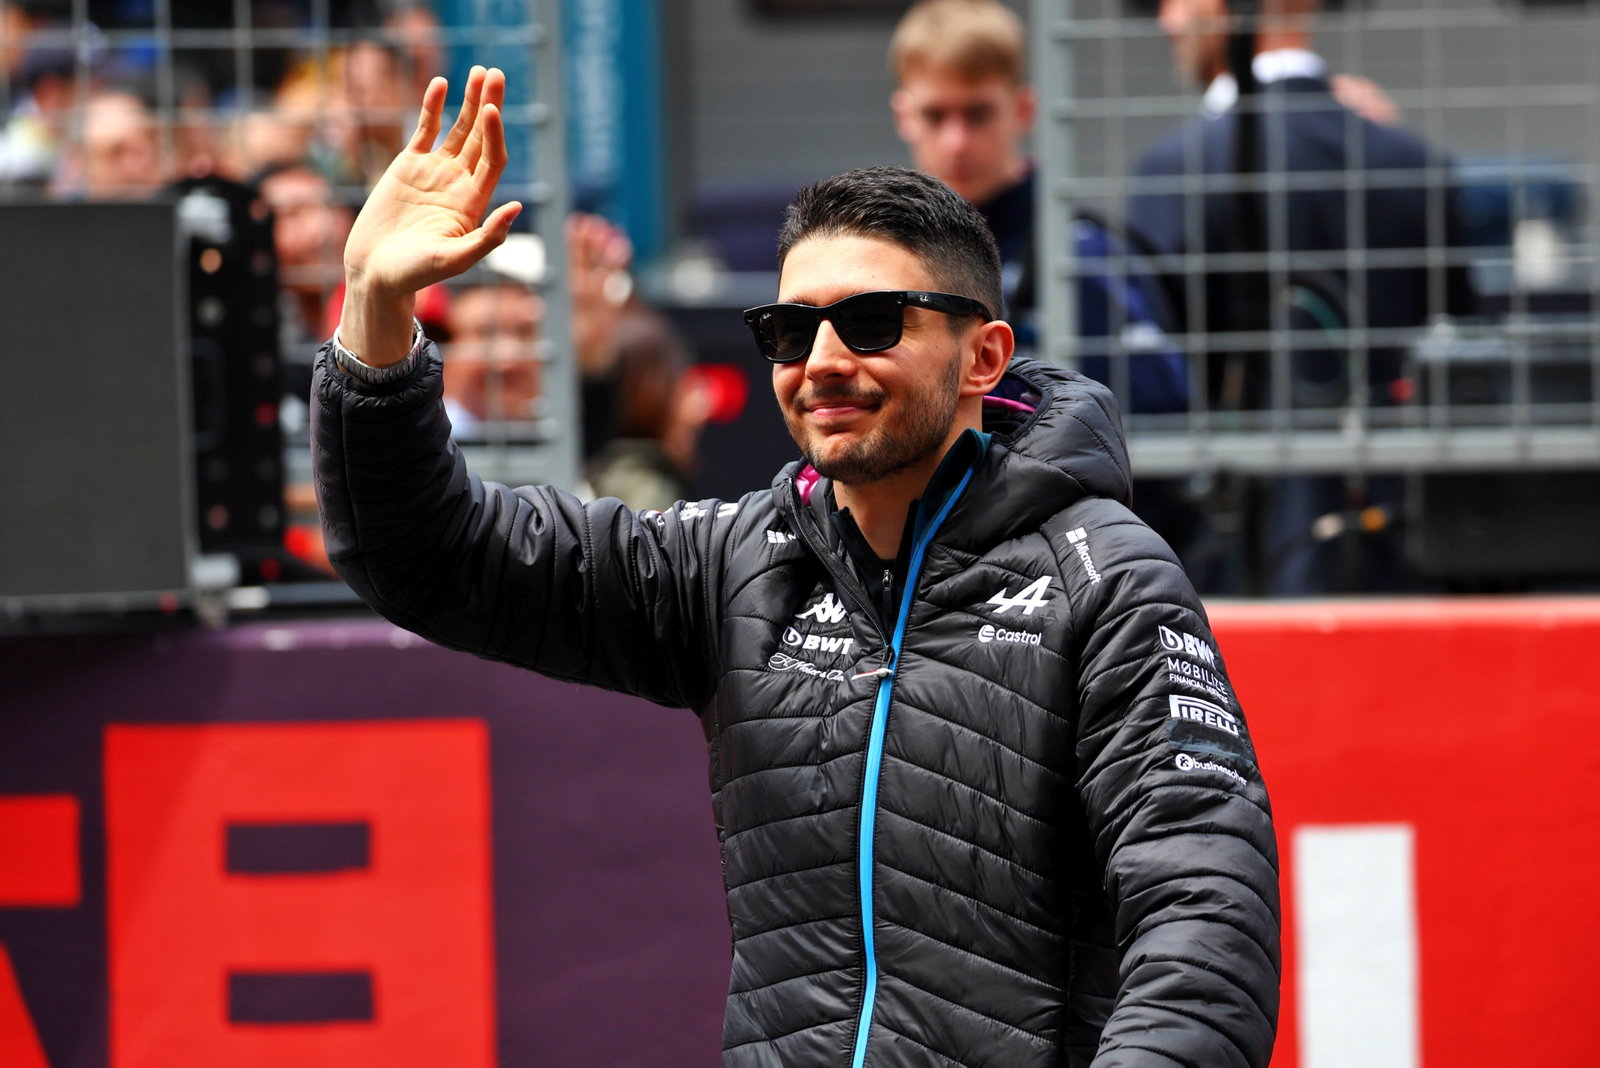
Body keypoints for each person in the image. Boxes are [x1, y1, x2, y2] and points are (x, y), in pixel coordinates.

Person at [313, 67, 1279, 1066]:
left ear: (983, 358)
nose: (820, 358)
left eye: (870, 323)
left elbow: (1203, 906)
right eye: (788, 329)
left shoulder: (1105, 577)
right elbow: (433, 557)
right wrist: (378, 317)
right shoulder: (732, 562)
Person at [1127, 0, 1477, 593]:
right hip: (1404, 554)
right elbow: (1460, 355)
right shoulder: (1410, 161)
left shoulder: (1174, 172)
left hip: (1230, 567)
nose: (1168, 19)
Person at [888, 0, 1187, 417]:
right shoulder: (888, 260)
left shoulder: (1079, 254)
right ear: (904, 116)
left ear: (1023, 110)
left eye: (978, 114)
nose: (956, 141)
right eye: (935, 116)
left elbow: (1162, 414)